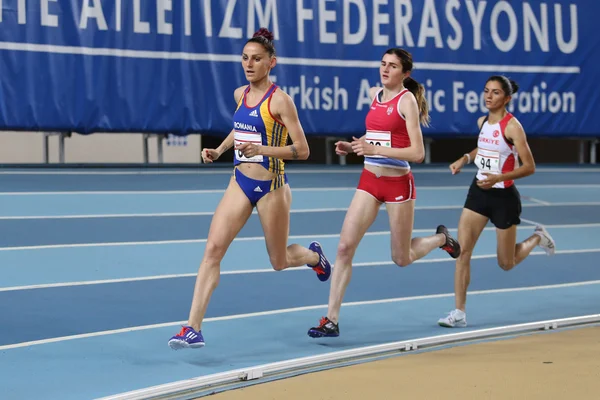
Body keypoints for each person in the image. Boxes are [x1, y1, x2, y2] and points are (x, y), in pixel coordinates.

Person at [168, 28, 332, 349]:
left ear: (272, 62)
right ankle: (192, 327)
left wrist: (265, 151)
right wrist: (219, 150)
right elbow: (239, 129)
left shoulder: (281, 101)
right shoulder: (240, 94)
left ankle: (315, 257)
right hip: (239, 183)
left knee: (279, 261)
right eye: (245, 58)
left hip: (272, 188)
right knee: (213, 251)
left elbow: (303, 150)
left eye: (256, 59)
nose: (249, 64)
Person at [307, 48, 461, 338]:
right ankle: (331, 319)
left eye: (392, 66)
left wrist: (375, 149)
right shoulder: (375, 95)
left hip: (397, 184)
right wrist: (354, 146)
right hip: (369, 181)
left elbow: (417, 152)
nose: (385, 69)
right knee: (343, 248)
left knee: (400, 258)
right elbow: (377, 135)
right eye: (383, 64)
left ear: (405, 73)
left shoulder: (407, 102)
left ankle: (442, 238)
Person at [437, 76, 556, 328]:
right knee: (462, 252)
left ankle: (537, 237)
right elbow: (482, 148)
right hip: (478, 193)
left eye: (495, 93)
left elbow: (530, 166)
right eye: (486, 91)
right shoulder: (482, 122)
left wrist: (499, 177)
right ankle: (459, 312)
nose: (488, 96)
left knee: (506, 263)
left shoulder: (513, 127)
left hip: (503, 198)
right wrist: (464, 159)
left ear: (507, 98)